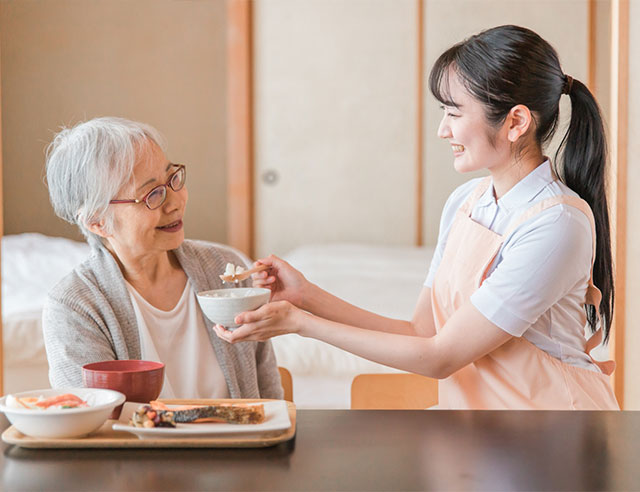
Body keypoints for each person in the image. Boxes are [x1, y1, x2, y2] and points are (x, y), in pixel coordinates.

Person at [215, 25, 619, 410]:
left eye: (454, 113)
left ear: (515, 121)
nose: (443, 130)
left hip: (553, 432)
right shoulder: (466, 201)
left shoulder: (557, 223)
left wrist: (300, 323)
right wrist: (306, 296)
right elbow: (423, 332)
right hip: (484, 426)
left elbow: (439, 357)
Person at [43, 117, 283, 400]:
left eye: (173, 179)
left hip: (240, 445)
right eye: (152, 195)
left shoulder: (225, 268)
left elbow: (270, 403)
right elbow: (94, 425)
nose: (175, 202)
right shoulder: (75, 306)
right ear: (97, 221)